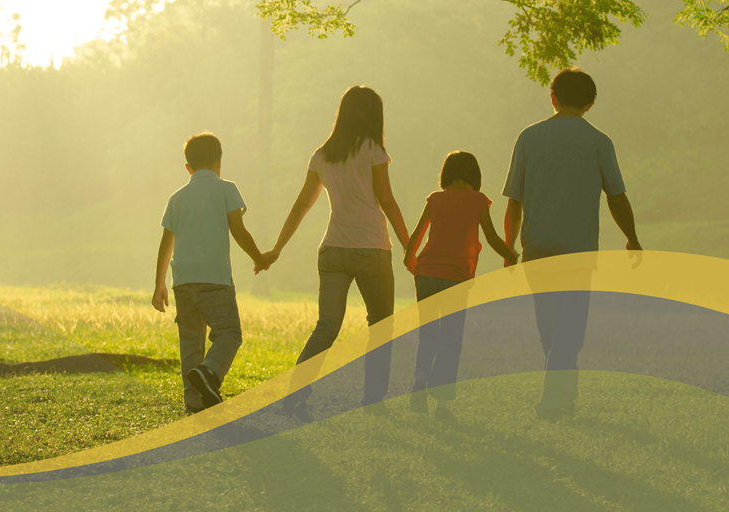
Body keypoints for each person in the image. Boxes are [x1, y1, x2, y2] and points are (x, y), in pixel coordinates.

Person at [502, 67, 642, 420]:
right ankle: (557, 399)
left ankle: (561, 397)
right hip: (577, 249)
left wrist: (509, 246)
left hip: (536, 246)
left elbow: (514, 201)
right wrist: (632, 238)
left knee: (549, 326)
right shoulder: (598, 141)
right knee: (569, 328)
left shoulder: (529, 137)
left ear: (553, 97)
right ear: (590, 104)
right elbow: (617, 197)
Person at [264, 86, 409, 419]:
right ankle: (373, 400)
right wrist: (409, 245)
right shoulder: (374, 149)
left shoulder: (322, 154)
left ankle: (296, 394)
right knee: (381, 325)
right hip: (371, 248)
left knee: (327, 326)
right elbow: (386, 200)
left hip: (332, 251)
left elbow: (303, 203)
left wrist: (277, 248)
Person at [152, 132, 270, 415]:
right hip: (215, 279)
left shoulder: (176, 198)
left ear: (188, 167)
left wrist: (159, 283)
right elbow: (238, 231)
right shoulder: (226, 189)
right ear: (219, 161)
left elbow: (166, 242)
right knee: (229, 333)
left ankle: (194, 402)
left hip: (182, 281)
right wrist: (259, 257)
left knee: (190, 341)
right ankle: (209, 372)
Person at [404, 150, 518, 422]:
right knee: (451, 340)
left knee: (428, 335)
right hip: (456, 277)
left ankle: (420, 381)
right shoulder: (478, 201)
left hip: (427, 274)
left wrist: (413, 265)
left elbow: (416, 236)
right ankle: (442, 404)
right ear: (474, 175)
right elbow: (490, 237)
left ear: (446, 175)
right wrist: (511, 255)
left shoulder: (435, 199)